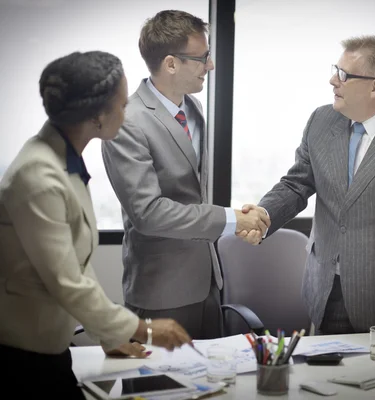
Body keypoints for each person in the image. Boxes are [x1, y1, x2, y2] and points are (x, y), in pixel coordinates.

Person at [0, 51, 192, 398]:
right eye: (121, 105)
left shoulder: (63, 159)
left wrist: (111, 335)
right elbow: (67, 282)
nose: (126, 113)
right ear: (97, 116)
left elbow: (77, 264)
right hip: (19, 356)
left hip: (45, 348)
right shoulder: (39, 176)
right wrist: (142, 329)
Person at [242, 35, 375, 347]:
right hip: (326, 291)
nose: (333, 80)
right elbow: (296, 183)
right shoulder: (321, 120)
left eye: (344, 74)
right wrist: (263, 215)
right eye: (335, 69)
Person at [101, 10, 269, 339]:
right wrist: (233, 219)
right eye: (202, 57)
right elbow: (148, 214)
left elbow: (192, 193)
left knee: (213, 387)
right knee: (161, 389)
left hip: (208, 281)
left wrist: (241, 217)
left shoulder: (193, 109)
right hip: (162, 291)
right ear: (171, 63)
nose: (210, 65)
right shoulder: (128, 122)